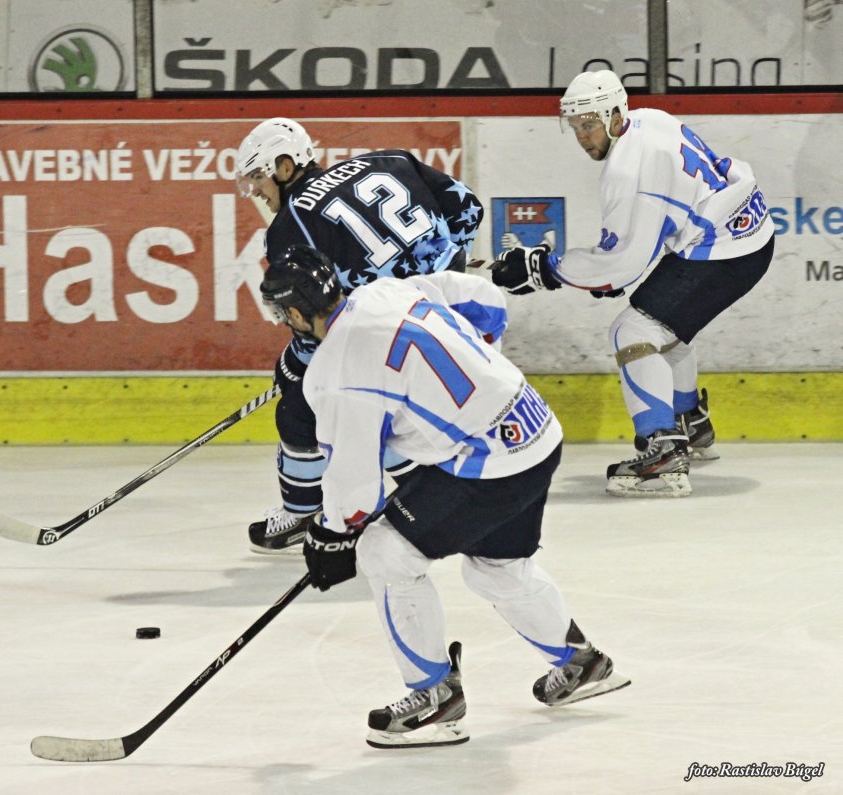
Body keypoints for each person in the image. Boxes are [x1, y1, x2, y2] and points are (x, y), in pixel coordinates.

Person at [260, 243, 630, 748]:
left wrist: (332, 534)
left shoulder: (334, 375)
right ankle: (581, 663)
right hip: (535, 428)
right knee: (496, 567)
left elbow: (356, 487)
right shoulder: (385, 292)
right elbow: (483, 300)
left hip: (488, 463)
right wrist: (482, 374)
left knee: (384, 552)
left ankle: (434, 698)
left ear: (298, 314)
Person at [487, 70, 774, 497]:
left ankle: (663, 450)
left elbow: (621, 263)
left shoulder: (628, 172)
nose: (583, 136)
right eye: (576, 126)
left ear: (615, 115)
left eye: (590, 124)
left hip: (725, 251)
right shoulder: (650, 118)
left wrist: (541, 268)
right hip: (746, 231)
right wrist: (599, 273)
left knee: (634, 330)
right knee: (665, 325)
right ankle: (690, 422)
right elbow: (649, 236)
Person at [235, 117, 484, 551]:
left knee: (303, 408)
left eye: (258, 176)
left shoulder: (290, 226)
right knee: (398, 408)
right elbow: (468, 210)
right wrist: (446, 274)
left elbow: (315, 317)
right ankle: (445, 493)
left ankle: (303, 511)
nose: (255, 189)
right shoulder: (392, 160)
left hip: (393, 341)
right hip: (454, 324)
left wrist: (295, 364)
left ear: (285, 165)